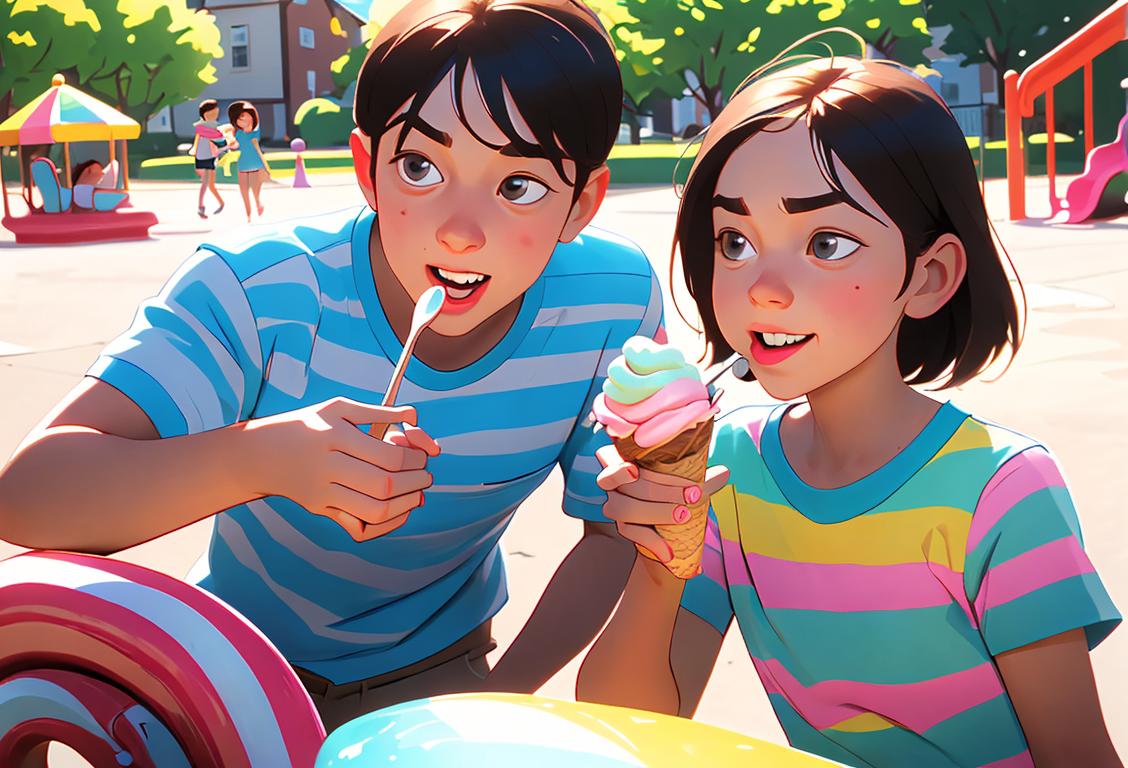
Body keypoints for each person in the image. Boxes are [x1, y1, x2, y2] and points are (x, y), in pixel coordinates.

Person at [0, 0, 665, 734]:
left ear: (582, 204)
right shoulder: (257, 290)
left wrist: (502, 695)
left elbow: (611, 531)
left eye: (519, 186)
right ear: (366, 170)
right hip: (231, 668)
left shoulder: (613, 300)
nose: (461, 232)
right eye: (419, 167)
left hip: (446, 675)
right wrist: (262, 456)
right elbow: (29, 495)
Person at [579, 53, 1123, 768]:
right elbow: (632, 728)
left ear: (929, 276)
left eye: (827, 244)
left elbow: (1076, 754)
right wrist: (657, 562)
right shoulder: (728, 469)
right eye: (734, 242)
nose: (763, 288)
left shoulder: (1001, 490)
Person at [228, 101, 270, 222]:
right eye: (239, 118)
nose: (243, 120)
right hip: (242, 166)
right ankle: (248, 216)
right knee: (244, 192)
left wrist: (247, 106)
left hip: (256, 166)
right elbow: (234, 146)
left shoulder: (256, 132)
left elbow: (256, 117)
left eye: (245, 116)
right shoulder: (238, 133)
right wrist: (230, 143)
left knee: (255, 191)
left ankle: (258, 204)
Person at [191, 99, 227, 218]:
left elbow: (216, 141)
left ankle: (221, 203)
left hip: (210, 157)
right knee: (205, 182)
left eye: (215, 114)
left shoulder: (213, 127)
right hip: (202, 157)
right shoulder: (202, 127)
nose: (214, 116)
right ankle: (200, 207)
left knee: (211, 184)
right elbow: (200, 139)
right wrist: (194, 151)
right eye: (211, 114)